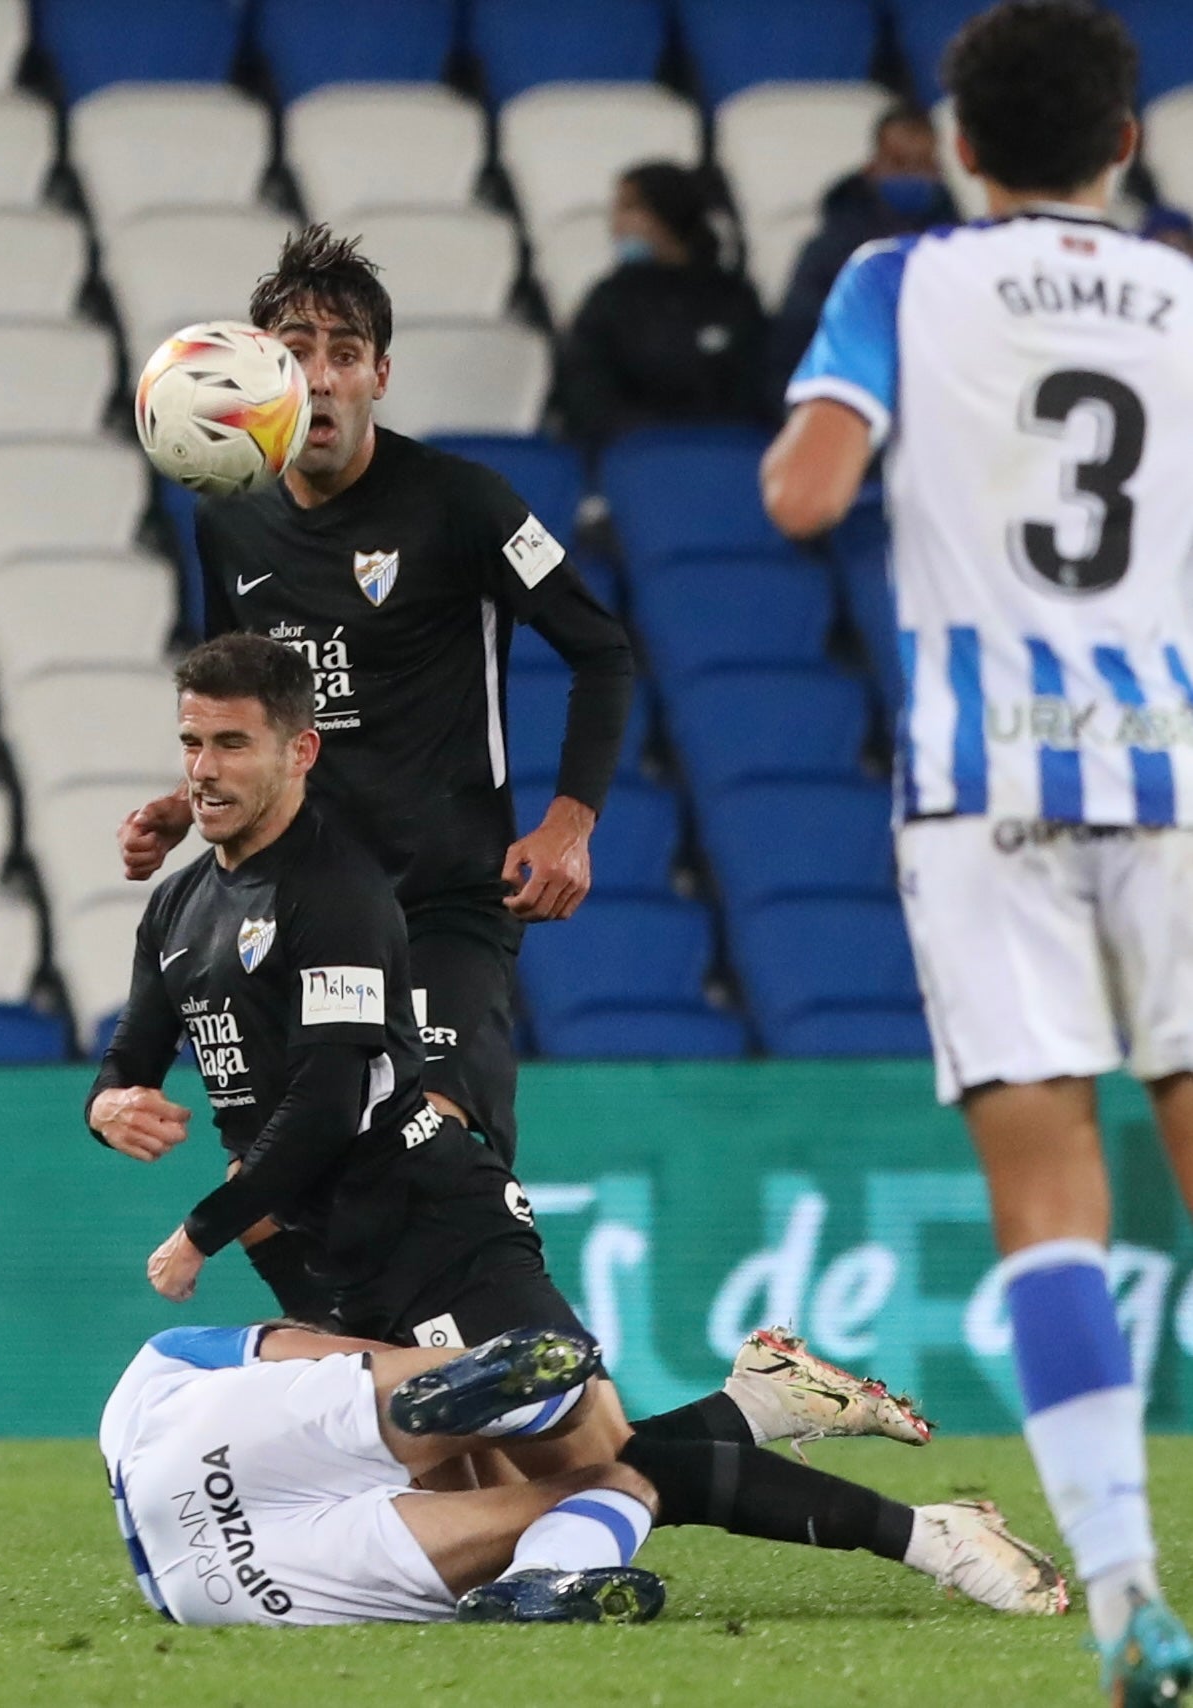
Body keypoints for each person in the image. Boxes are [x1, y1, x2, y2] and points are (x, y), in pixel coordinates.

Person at [89, 634, 1064, 1618]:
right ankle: (754, 1408)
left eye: (232, 743)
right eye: (192, 742)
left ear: (299, 751)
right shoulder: (178, 904)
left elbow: (330, 1101)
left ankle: (937, 1536)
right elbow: (133, 1048)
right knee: (512, 1502)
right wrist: (110, 1104)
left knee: (609, 1465)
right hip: (318, 1252)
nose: (205, 769)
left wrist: (201, 1229)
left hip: (428, 1228)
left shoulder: (336, 895)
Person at [758, 5, 1193, 1702]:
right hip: (1168, 773)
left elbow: (802, 490)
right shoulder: (1184, 292)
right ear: (1125, 143)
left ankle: (1121, 1586)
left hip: (980, 785)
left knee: (1050, 1197)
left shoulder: (896, 279)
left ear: (957, 144)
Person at [118, 224, 635, 1321]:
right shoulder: (231, 520)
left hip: (446, 902)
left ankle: (532, 1370)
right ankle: (424, 1394)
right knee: (293, 1181)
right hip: (320, 917)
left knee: (431, 1129)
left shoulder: (466, 502)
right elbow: (241, 695)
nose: (319, 374)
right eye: (295, 348)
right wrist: (190, 800)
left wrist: (571, 819)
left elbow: (603, 648)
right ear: (260, 371)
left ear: (379, 375)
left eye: (344, 351)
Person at [99, 1319, 1067, 1629]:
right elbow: (269, 1344)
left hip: (205, 1580)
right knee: (614, 1475)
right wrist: (395, 1365)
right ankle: (490, 1408)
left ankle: (541, 1564)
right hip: (214, 1472)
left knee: (608, 1476)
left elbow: (202, 1344)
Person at [558, 161, 772, 448]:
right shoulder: (608, 300)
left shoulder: (732, 297)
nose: (615, 224)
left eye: (629, 208)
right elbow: (587, 393)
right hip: (633, 459)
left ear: (666, 213)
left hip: (722, 458)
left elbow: (756, 390)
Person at [769, 103, 958, 399]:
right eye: (898, 163)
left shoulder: (961, 246)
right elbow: (796, 337)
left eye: (921, 164)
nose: (911, 175)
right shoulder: (830, 247)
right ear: (873, 166)